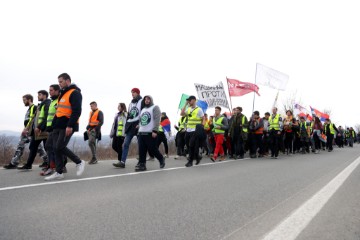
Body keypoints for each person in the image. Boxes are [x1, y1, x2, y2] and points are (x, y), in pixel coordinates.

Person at [44, 73, 85, 180]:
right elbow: (60, 110)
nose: (60, 84)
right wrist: (53, 124)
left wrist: (70, 125)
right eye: (59, 82)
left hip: (67, 125)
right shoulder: (63, 93)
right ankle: (59, 172)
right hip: (58, 125)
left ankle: (79, 162)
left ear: (68, 81)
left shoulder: (75, 93)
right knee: (55, 148)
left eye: (61, 82)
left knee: (59, 146)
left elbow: (77, 111)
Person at [3, 94, 47, 169]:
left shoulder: (34, 107)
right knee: (24, 146)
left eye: (24, 100)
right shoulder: (30, 108)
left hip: (30, 131)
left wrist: (26, 129)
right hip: (28, 131)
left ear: (29, 100)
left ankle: (46, 161)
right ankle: (14, 162)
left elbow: (32, 119)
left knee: (37, 148)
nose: (23, 102)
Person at [17, 90, 51, 170]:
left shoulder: (47, 104)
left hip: (43, 130)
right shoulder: (40, 105)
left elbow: (46, 117)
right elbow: (33, 118)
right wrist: (28, 128)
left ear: (45, 95)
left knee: (47, 148)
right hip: (37, 131)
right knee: (33, 147)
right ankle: (29, 165)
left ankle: (50, 164)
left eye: (39, 95)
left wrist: (39, 127)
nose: (38, 96)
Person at [113, 88, 143, 168]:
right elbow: (129, 114)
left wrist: (140, 123)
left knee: (140, 144)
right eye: (131, 92)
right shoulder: (131, 103)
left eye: (133, 92)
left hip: (137, 124)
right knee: (126, 144)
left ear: (137, 93)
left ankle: (141, 161)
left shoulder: (141, 101)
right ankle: (122, 162)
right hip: (130, 125)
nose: (132, 94)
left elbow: (144, 113)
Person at [136, 96, 165, 171]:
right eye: (145, 99)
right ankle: (142, 165)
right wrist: (139, 125)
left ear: (151, 100)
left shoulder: (155, 107)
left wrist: (155, 130)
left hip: (150, 132)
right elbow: (141, 119)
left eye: (148, 99)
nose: (146, 100)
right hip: (141, 132)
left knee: (152, 149)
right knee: (141, 149)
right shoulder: (143, 109)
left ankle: (161, 158)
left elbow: (157, 119)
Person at [40, 84, 60, 176]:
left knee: (55, 147)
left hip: (56, 127)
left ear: (56, 91)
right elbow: (49, 116)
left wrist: (52, 125)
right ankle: (53, 166)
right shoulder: (52, 101)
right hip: (50, 128)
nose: (50, 92)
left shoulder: (58, 101)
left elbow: (57, 115)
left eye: (51, 90)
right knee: (50, 146)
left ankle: (55, 166)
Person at [180, 95, 205, 167]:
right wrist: (185, 104)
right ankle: (197, 157)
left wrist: (202, 126)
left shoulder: (199, 109)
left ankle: (190, 161)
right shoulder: (188, 109)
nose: (188, 102)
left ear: (194, 100)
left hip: (195, 131)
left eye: (190, 100)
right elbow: (182, 114)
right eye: (188, 100)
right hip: (188, 130)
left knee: (191, 145)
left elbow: (203, 118)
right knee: (189, 145)